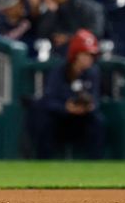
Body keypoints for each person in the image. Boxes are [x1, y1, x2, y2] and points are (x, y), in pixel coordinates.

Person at [33, 29, 105, 159]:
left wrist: (88, 107)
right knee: (44, 119)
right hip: (61, 118)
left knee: (97, 121)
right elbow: (48, 100)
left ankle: (95, 163)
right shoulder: (59, 71)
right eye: (85, 54)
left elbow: (96, 99)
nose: (89, 59)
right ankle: (43, 162)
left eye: (91, 55)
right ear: (75, 54)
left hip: (82, 119)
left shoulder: (93, 72)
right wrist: (66, 107)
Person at [35, 0, 105, 54]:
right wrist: (50, 13)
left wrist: (70, 38)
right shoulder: (46, 9)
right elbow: (41, 37)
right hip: (57, 58)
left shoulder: (86, 6)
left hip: (85, 55)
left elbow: (97, 32)